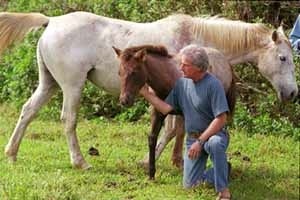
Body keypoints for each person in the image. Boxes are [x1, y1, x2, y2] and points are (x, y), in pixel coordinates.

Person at [139, 44, 231, 200]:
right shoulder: (182, 84)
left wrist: (200, 142)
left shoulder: (213, 85)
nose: (180, 68)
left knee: (215, 144)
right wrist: (146, 94)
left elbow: (221, 118)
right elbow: (167, 109)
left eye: (185, 65)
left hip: (213, 136)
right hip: (193, 139)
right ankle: (222, 169)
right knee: (190, 185)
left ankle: (223, 190)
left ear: (198, 67)